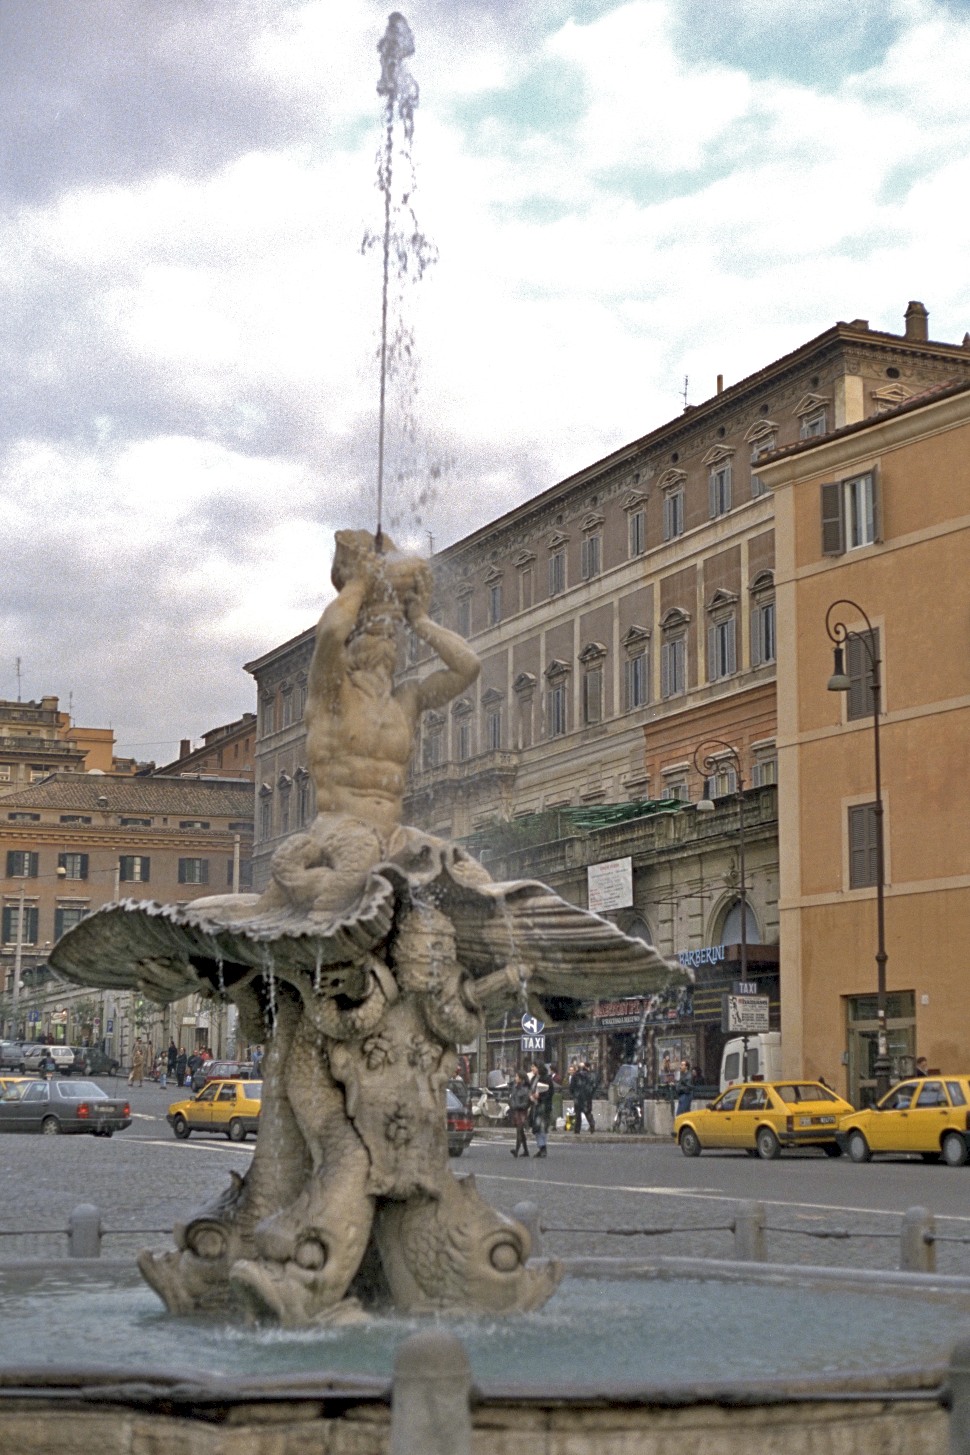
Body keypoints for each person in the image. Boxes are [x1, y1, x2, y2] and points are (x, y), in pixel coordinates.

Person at [305, 530, 480, 840]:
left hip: (393, 837)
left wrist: (420, 620)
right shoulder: (331, 689)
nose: (385, 641)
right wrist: (359, 583)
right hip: (337, 835)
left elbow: (468, 666)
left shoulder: (406, 700)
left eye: (391, 635)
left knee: (469, 876)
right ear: (353, 639)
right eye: (374, 632)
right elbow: (331, 633)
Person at [529, 1062, 553, 1158]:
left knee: (541, 1127)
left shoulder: (546, 1079)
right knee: (536, 1128)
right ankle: (541, 1147)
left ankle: (543, 1147)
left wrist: (540, 1096)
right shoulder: (534, 1078)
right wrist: (531, 1095)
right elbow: (531, 1089)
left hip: (543, 1106)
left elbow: (549, 1092)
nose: (532, 1068)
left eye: (534, 1066)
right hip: (535, 1105)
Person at [509, 1071, 532, 1158]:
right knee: (521, 1131)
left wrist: (517, 1106)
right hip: (516, 1111)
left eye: (517, 1077)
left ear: (521, 1079)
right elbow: (512, 1097)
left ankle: (516, 1150)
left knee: (519, 1130)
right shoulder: (515, 1087)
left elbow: (526, 1103)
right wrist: (512, 1104)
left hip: (522, 1112)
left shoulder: (525, 1089)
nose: (515, 1078)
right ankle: (526, 1150)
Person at [570, 1061, 595, 1134]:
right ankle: (591, 1123)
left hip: (578, 1097)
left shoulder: (575, 1076)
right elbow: (593, 1086)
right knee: (587, 1112)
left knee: (578, 1114)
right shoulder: (589, 1075)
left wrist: (573, 1094)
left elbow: (571, 1087)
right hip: (587, 1097)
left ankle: (577, 1130)